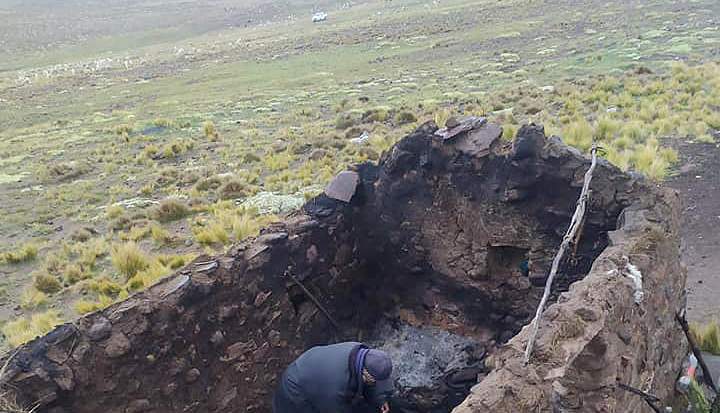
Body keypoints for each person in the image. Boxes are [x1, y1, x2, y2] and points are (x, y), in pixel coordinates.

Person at [273, 342, 394, 413]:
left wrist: (380, 399)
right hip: (295, 392)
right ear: (366, 373)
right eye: (375, 379)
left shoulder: (362, 352)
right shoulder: (336, 389)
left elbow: (371, 382)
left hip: (312, 370)